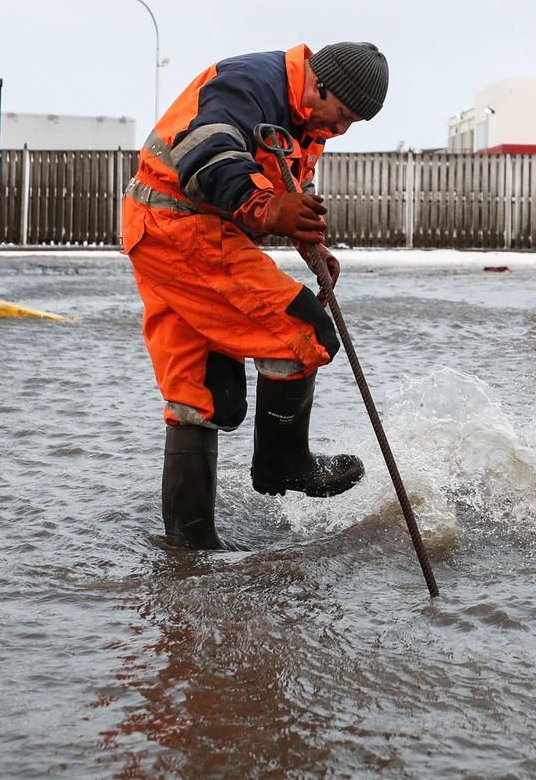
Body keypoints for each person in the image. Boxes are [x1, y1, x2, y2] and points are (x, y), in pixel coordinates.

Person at [121, 41, 389, 550]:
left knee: (200, 395)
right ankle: (282, 464)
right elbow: (208, 151)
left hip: (169, 231)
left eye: (353, 123)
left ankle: (188, 546)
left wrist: (312, 245)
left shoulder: (308, 121)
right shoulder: (249, 84)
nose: (341, 129)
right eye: (343, 116)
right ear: (318, 85)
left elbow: (287, 194)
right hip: (177, 226)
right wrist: (265, 207)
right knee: (301, 331)